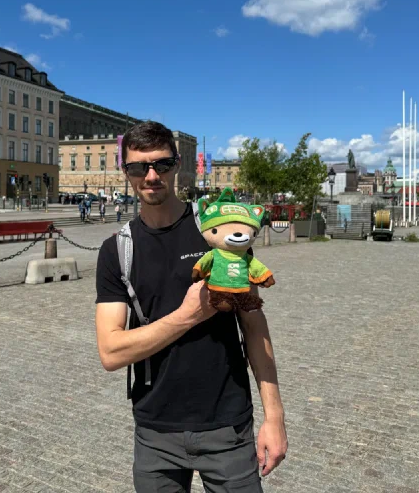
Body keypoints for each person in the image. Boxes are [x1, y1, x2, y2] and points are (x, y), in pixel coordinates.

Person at [95, 121, 287, 491]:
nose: (151, 176)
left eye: (161, 165)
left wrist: (274, 417)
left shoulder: (216, 231)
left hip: (227, 425)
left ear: (177, 165)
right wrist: (186, 317)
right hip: (155, 432)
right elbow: (111, 351)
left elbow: (255, 328)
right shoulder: (116, 250)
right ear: (126, 172)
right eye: (138, 167)